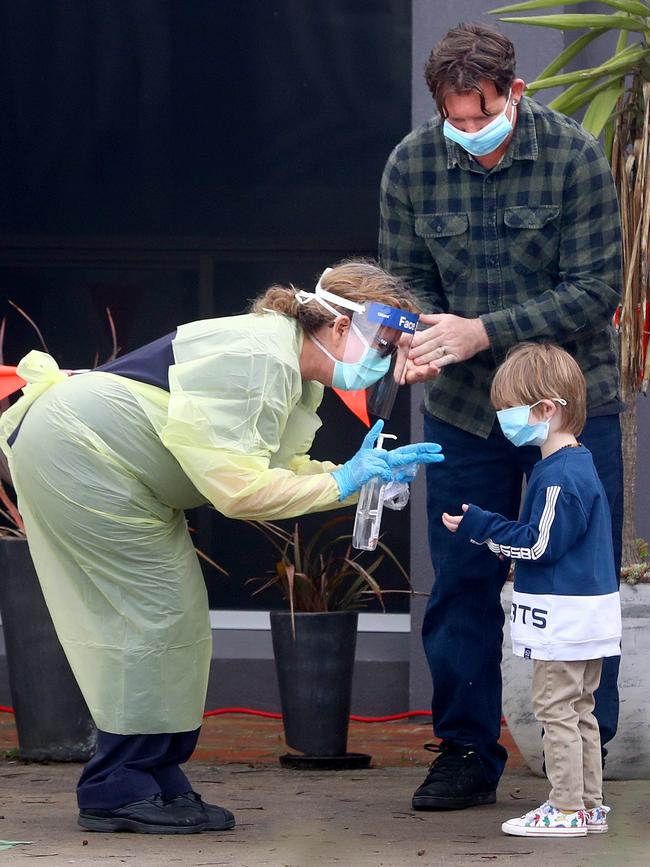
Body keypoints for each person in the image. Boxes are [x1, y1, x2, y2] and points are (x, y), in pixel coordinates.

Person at [0, 259, 444, 835]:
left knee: (172, 620)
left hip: (103, 462)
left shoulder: (287, 363)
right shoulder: (263, 358)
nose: (385, 363)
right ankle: (117, 787)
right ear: (339, 327)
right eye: (383, 345)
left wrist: (355, 475)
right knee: (151, 618)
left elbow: (275, 468)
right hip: (80, 454)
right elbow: (240, 493)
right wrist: (346, 480)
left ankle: (152, 776)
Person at [379, 22, 624, 811]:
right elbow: (403, 289)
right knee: (461, 579)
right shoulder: (412, 164)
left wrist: (483, 330)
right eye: (458, 118)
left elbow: (596, 289)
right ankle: (463, 750)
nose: (472, 131)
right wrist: (411, 340)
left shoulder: (573, 157)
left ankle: (587, 753)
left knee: (583, 575)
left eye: (485, 115)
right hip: (460, 410)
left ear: (515, 93)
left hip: (569, 407)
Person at [443, 342, 621, 836]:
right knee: (579, 707)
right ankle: (586, 805)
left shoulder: (559, 475)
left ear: (545, 410)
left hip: (564, 616)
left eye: (510, 411)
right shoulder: (575, 465)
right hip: (587, 615)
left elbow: (539, 546)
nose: (504, 421)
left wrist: (482, 527)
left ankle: (565, 808)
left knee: (556, 709)